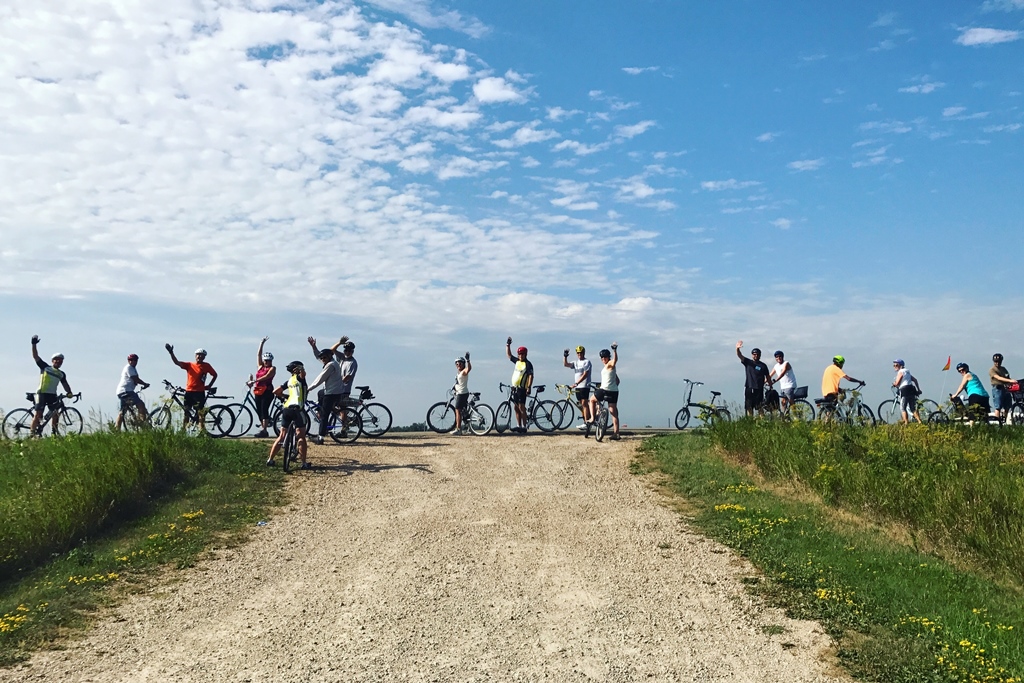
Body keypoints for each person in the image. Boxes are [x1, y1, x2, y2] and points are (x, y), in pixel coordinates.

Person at [267, 361, 310, 470]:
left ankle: (270, 459)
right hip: (298, 409)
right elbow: (303, 374)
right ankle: (304, 463)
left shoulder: (290, 381)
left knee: (282, 436)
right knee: (301, 436)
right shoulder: (300, 378)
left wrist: (285, 397)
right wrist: (301, 369)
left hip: (286, 409)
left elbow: (275, 391)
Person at [29, 335, 74, 436]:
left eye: (60, 360)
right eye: (56, 359)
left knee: (55, 413)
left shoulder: (61, 374)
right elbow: (35, 356)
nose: (58, 361)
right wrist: (34, 344)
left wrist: (69, 392)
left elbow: (65, 384)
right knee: (38, 414)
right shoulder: (45, 367)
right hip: (41, 393)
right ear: (52, 361)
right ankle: (32, 434)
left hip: (52, 394)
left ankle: (54, 433)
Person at [306, 335, 348, 445]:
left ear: (329, 356)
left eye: (324, 358)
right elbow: (318, 356)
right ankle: (327, 409)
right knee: (320, 393)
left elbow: (320, 378)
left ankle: (320, 438)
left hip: (332, 393)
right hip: (331, 391)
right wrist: (314, 347)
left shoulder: (330, 365)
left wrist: (309, 388)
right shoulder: (329, 362)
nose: (323, 360)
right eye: (322, 358)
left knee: (324, 415)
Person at [165, 344, 217, 428]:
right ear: (195, 356)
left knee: (200, 413)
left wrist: (209, 385)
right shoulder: (189, 365)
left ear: (204, 357)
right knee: (187, 412)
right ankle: (183, 430)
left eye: (202, 355)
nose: (200, 356)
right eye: (198, 355)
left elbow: (215, 375)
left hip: (199, 392)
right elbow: (177, 362)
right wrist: (171, 352)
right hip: (189, 392)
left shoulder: (207, 366)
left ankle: (202, 431)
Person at [589, 343, 621, 440]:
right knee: (613, 412)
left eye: (605, 357)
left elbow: (615, 360)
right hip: (613, 391)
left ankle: (592, 418)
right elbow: (618, 381)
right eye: (602, 357)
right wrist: (612, 386)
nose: (603, 358)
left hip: (605, 390)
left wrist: (614, 350)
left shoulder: (610, 364)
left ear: (608, 357)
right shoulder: (610, 368)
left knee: (592, 400)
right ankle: (616, 433)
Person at [248, 336, 276, 438]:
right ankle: (263, 428)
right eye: (266, 360)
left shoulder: (272, 368)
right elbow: (258, 355)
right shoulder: (260, 367)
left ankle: (264, 430)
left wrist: (255, 380)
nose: (267, 362)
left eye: (269, 360)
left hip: (267, 391)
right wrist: (261, 343)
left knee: (264, 409)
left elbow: (267, 376)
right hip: (258, 390)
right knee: (259, 409)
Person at [505, 336, 534, 433]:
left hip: (522, 389)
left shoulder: (528, 364)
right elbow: (509, 355)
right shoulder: (517, 361)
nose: (520, 355)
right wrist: (508, 345)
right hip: (515, 388)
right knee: (516, 408)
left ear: (525, 354)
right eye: (519, 354)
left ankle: (524, 426)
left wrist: (529, 387)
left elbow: (531, 376)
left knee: (522, 407)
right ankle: (519, 425)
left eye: (522, 354)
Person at [114, 353, 150, 430]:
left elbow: (134, 380)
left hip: (121, 391)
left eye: (134, 360)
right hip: (126, 391)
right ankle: (141, 423)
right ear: (128, 361)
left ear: (137, 361)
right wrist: (145, 384)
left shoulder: (132, 369)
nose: (132, 361)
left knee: (122, 412)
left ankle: (116, 430)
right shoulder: (129, 368)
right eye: (130, 360)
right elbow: (135, 379)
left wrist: (136, 383)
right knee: (141, 405)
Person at [736, 341, 772, 416]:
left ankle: (762, 420)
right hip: (749, 387)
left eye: (757, 354)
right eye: (754, 354)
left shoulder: (763, 365)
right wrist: (737, 349)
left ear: (760, 355)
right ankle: (751, 420)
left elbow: (768, 376)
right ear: (752, 355)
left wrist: (770, 385)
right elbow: (740, 355)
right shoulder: (748, 362)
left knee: (759, 407)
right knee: (749, 407)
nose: (756, 355)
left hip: (759, 388)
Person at [563, 345, 593, 428]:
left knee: (584, 404)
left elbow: (585, 374)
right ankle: (587, 420)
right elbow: (566, 364)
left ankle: (586, 423)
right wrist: (565, 356)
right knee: (581, 405)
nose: (579, 354)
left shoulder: (586, 362)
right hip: (577, 387)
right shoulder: (576, 362)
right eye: (578, 353)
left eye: (581, 353)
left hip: (584, 385)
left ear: (584, 353)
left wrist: (576, 383)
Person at [891, 359, 923, 424]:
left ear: (900, 365)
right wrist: (918, 389)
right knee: (912, 408)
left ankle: (906, 422)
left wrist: (894, 384)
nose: (894, 366)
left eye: (896, 365)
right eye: (894, 365)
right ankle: (919, 421)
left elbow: (897, 383)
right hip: (911, 389)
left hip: (904, 390)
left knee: (903, 408)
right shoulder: (907, 371)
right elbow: (915, 380)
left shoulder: (900, 372)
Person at [989, 353, 1015, 423]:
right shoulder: (992, 370)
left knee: (1007, 406)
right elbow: (998, 378)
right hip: (997, 388)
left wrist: (1011, 382)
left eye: (999, 361)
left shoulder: (1003, 369)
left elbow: (1007, 377)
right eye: (996, 361)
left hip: (1005, 388)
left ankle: (1004, 421)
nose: (997, 363)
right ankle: (997, 422)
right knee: (998, 406)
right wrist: (1010, 381)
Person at [452, 352, 472, 434]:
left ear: (463, 364)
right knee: (464, 412)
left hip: (462, 393)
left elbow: (469, 369)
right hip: (460, 392)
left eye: (460, 363)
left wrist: (468, 360)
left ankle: (458, 429)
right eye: (457, 363)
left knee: (457, 410)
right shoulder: (459, 373)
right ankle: (468, 428)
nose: (458, 365)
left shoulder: (464, 371)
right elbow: (459, 383)